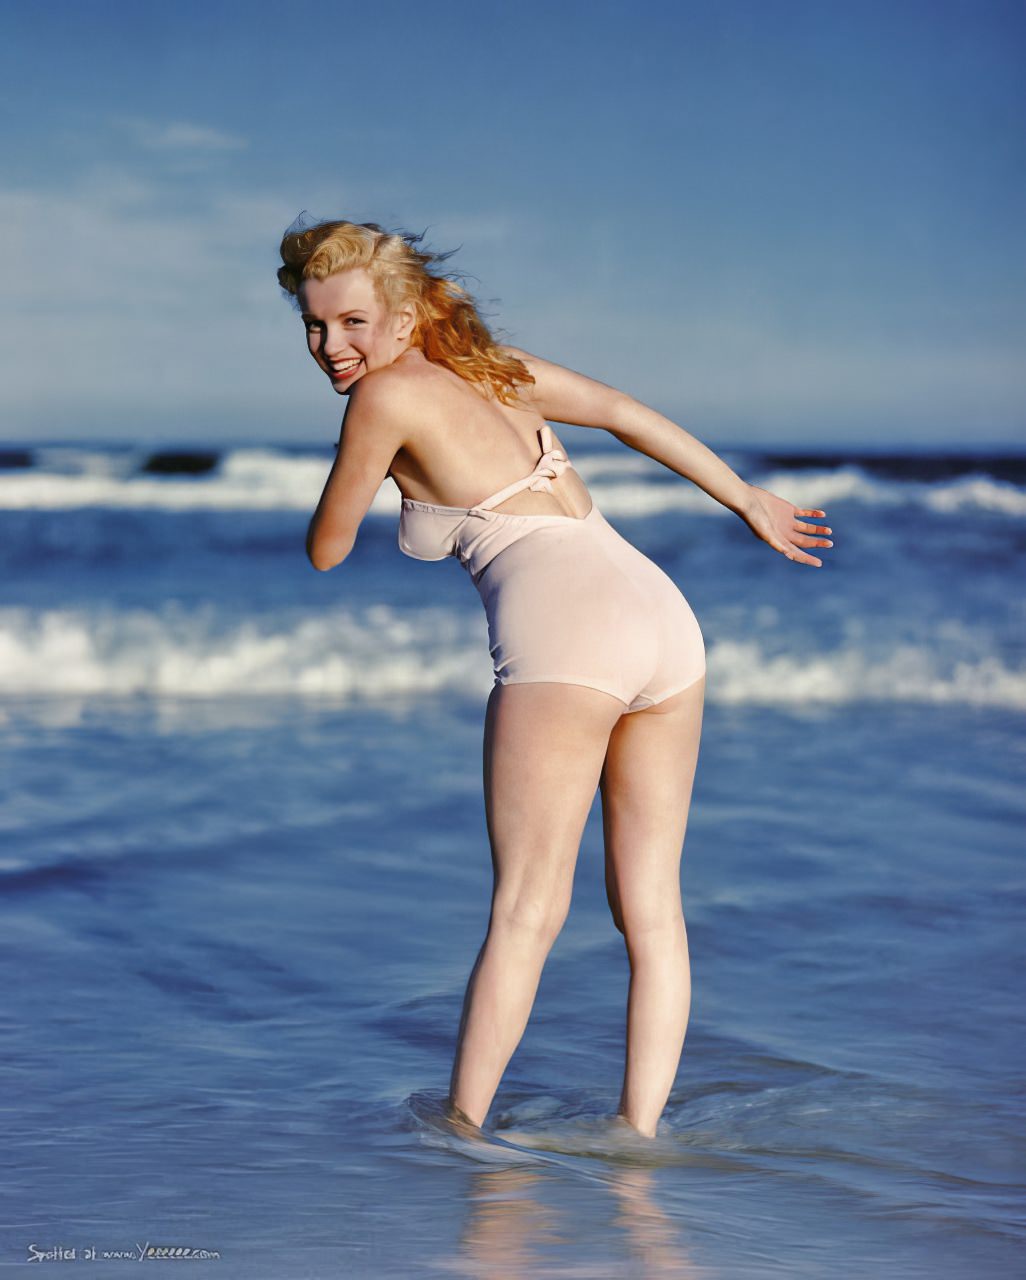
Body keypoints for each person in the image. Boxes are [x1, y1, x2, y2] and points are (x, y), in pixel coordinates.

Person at [276, 218, 833, 1139]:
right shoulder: (498, 366)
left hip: (568, 637)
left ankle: (460, 1135)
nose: (333, 348)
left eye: (353, 323)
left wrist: (367, 472)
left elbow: (327, 551)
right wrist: (747, 498)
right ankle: (637, 1136)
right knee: (652, 910)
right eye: (313, 326)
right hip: (662, 616)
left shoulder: (382, 401)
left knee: (527, 910)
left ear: (408, 314)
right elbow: (622, 411)